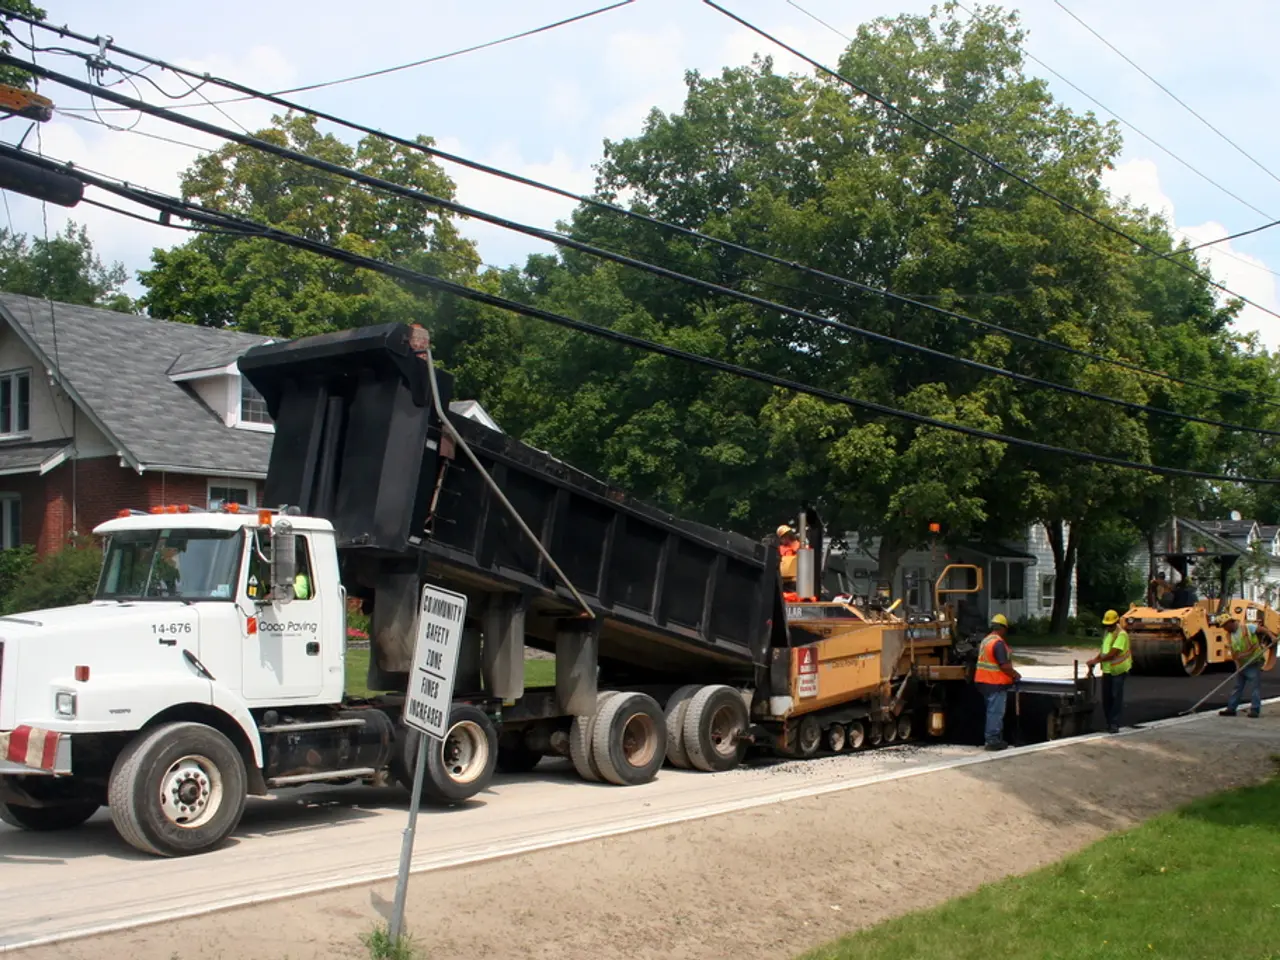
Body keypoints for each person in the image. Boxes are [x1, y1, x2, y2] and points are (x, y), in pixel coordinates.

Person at [973, 613, 1020, 751]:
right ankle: (992, 740)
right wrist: (1015, 674)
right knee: (995, 713)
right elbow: (1004, 665)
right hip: (995, 683)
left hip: (983, 682)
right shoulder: (998, 643)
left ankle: (994, 738)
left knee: (991, 711)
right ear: (1003, 628)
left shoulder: (986, 640)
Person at [1218, 613, 1273, 718]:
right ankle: (1231, 709)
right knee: (1237, 687)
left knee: (1254, 687)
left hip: (1254, 661)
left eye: (1225, 626)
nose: (1224, 629)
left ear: (1230, 622)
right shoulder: (1228, 636)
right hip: (1242, 664)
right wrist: (1238, 665)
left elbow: (1263, 630)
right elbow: (1234, 654)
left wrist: (1272, 637)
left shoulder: (1247, 628)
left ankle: (1255, 710)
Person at [1086, 609, 1131, 733]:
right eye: (1106, 625)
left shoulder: (1121, 634)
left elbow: (1113, 654)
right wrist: (1094, 660)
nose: (1108, 627)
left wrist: (1095, 662)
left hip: (1118, 671)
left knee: (1115, 697)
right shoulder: (1107, 634)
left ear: (1116, 622)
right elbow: (1104, 652)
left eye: (1110, 625)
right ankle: (1108, 722)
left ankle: (1114, 724)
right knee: (1106, 698)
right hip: (1107, 671)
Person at [777, 524, 800, 593]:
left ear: (786, 536)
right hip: (784, 580)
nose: (781, 540)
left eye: (781, 538)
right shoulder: (781, 548)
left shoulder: (799, 546)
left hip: (795, 580)